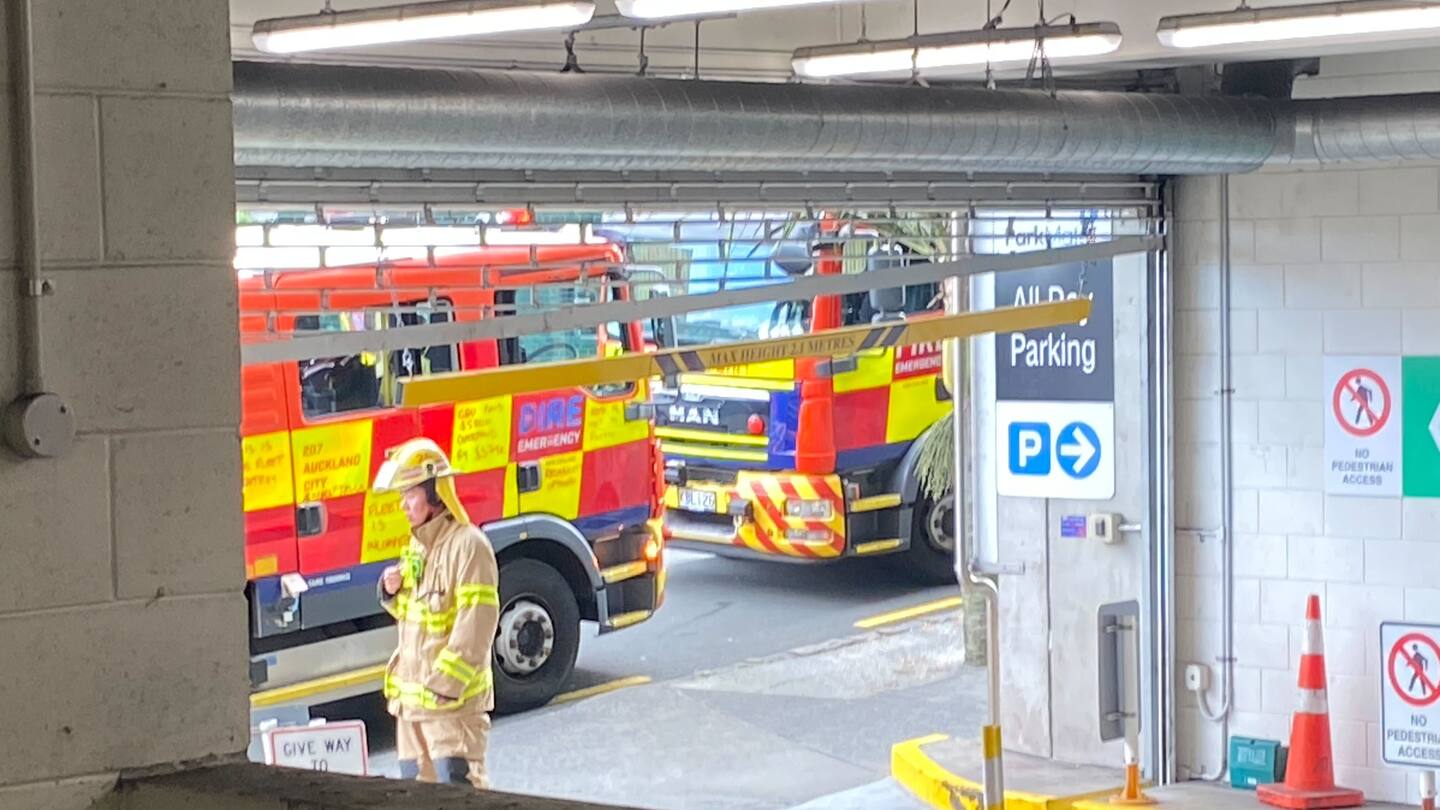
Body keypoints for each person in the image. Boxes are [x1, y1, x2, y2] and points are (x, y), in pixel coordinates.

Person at [373, 437, 500, 790]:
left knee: (459, 795)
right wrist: (391, 592)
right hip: (411, 714)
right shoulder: (418, 546)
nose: (403, 504)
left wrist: (446, 686)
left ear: (435, 492)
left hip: (451, 712)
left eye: (410, 493)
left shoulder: (469, 545)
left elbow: (476, 623)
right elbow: (416, 617)